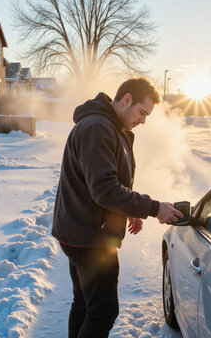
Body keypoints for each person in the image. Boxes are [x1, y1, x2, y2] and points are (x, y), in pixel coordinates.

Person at [52, 77, 182, 338]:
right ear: (126, 100)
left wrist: (129, 209)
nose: (143, 121)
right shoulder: (98, 128)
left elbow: (108, 182)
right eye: (142, 112)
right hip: (90, 239)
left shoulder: (109, 125)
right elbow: (104, 189)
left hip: (81, 231)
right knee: (102, 313)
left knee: (84, 304)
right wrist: (154, 208)